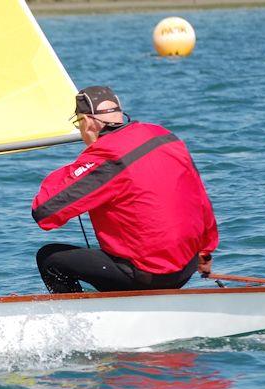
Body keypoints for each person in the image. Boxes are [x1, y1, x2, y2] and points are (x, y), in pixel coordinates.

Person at [31, 85, 218, 293]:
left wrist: (74, 170)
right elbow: (200, 198)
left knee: (49, 259)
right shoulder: (164, 136)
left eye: (78, 124)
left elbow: (44, 213)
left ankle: (77, 322)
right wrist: (205, 253)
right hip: (187, 267)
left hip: (147, 276)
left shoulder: (105, 157)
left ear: (88, 122)